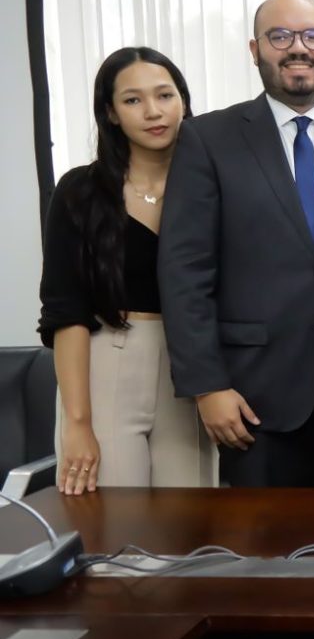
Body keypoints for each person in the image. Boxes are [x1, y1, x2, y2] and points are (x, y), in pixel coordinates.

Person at [160, 0, 314, 488]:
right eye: (280, 36)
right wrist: (207, 386)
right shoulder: (208, 139)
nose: (298, 48)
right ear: (255, 50)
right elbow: (185, 272)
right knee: (263, 539)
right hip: (252, 400)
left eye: (313, 36)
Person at [39, 48, 216, 493]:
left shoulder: (213, 187)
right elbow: (65, 310)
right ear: (111, 113)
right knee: (113, 521)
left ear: (183, 102)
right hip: (108, 358)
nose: (153, 111)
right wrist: (78, 423)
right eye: (133, 100)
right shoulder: (80, 190)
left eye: (164, 95)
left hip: (190, 363)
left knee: (191, 521)